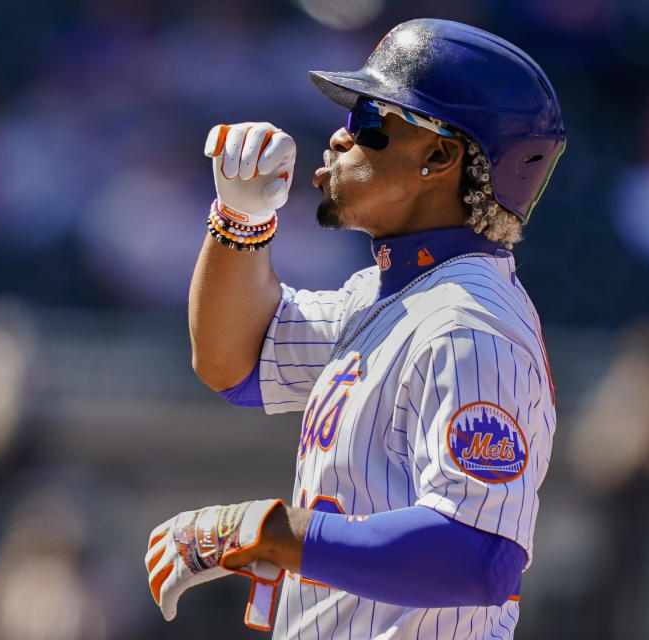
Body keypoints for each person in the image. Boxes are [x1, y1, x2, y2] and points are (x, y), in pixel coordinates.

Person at [145, 18, 565, 639]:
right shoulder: (383, 295)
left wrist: (268, 531)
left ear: (439, 156)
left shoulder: (467, 325)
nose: (340, 139)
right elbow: (230, 363)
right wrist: (240, 220)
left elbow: (480, 558)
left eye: (370, 120)